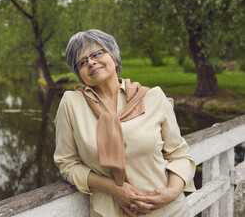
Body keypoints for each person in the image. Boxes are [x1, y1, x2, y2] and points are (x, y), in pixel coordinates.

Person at [53, 29, 196, 217]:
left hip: (168, 210)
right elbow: (67, 163)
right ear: (79, 73)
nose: (91, 62)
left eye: (97, 53)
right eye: (81, 62)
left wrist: (171, 193)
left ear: (114, 57)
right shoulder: (72, 104)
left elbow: (179, 155)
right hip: (109, 212)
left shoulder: (152, 97)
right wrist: (113, 188)